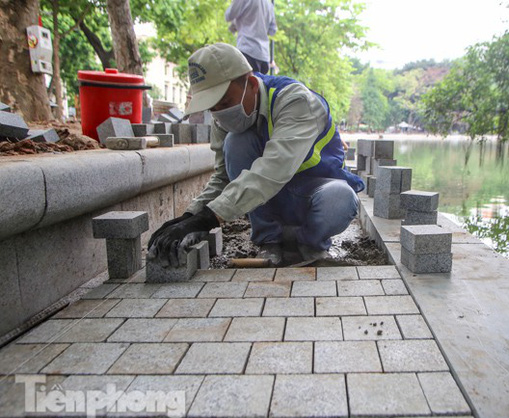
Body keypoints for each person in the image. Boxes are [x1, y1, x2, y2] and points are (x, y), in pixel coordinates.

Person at [148, 43, 364, 267]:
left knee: (341, 198)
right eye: (212, 108)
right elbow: (224, 178)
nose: (220, 113)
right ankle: (269, 241)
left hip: (312, 196)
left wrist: (208, 219)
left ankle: (310, 245)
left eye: (225, 102)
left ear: (251, 84)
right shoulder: (223, 119)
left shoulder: (296, 101)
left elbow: (273, 169)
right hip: (267, 202)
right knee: (236, 141)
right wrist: (190, 217)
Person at [225, 0, 277, 74]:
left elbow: (229, 16)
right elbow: (272, 30)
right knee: (259, 84)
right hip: (264, 56)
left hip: (247, 50)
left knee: (244, 84)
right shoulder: (269, 4)